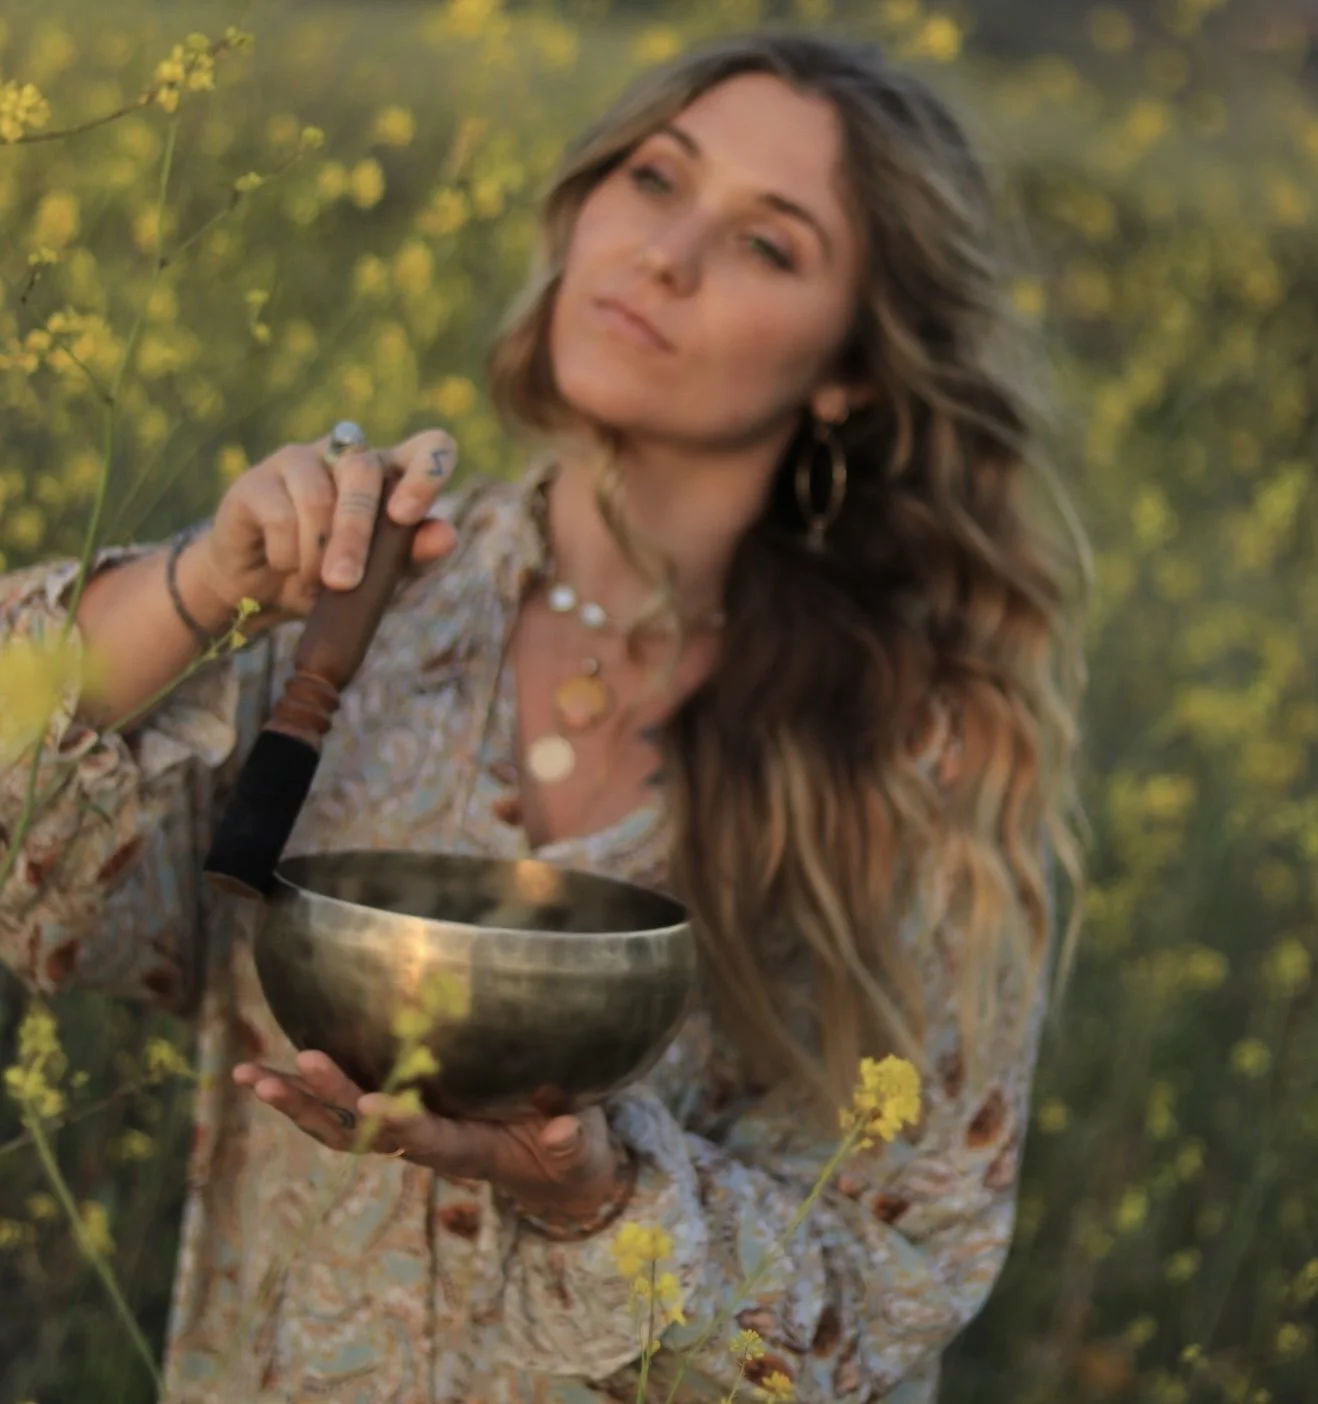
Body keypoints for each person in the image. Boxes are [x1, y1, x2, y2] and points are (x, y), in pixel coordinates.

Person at [0, 29, 1088, 1404]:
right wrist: (201, 584)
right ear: (582, 207)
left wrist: (597, 1198)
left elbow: (895, 1286)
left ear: (850, 370)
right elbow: (38, 886)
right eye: (655, 179)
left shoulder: (914, 751)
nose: (667, 256)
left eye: (767, 245)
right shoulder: (360, 608)